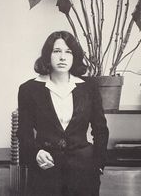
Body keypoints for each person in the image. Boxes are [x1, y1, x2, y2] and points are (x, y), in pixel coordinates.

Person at [17, 30, 109, 196]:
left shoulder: (89, 87)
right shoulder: (29, 89)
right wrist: (35, 153)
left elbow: (101, 129)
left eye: (68, 52)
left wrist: (98, 164)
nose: (62, 57)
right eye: (57, 51)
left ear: (74, 57)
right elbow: (24, 132)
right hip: (45, 173)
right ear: (47, 55)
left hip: (84, 174)